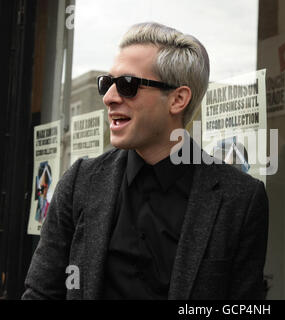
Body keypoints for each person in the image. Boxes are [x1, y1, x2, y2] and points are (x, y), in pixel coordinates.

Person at [22, 22, 269, 300]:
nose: (109, 98)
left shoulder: (239, 200)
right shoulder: (80, 182)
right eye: (107, 83)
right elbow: (41, 293)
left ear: (178, 99)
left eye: (128, 85)